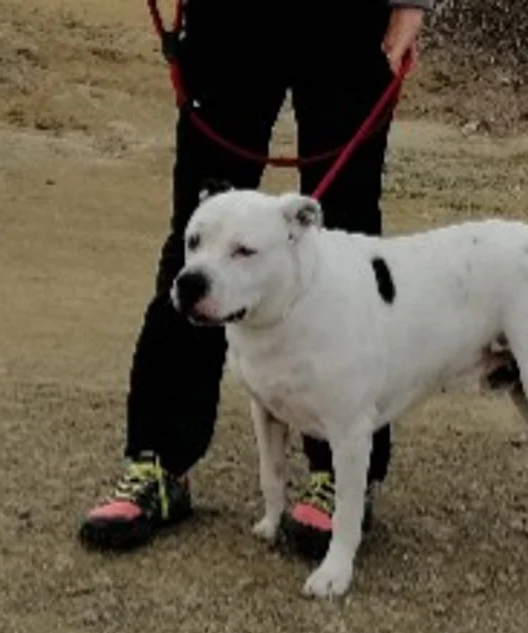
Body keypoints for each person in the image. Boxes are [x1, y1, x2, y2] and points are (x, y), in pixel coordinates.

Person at [78, 0, 430, 558]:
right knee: (200, 233)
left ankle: (343, 472)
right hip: (231, 18)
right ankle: (160, 462)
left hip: (347, 19)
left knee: (346, 234)